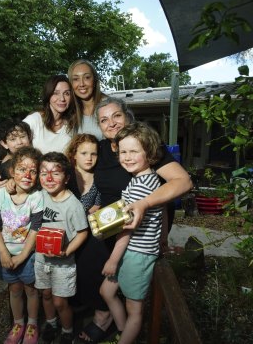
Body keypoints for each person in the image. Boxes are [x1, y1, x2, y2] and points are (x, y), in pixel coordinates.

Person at [76, 97, 193, 343]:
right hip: (108, 222)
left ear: (128, 116)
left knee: (123, 288)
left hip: (132, 232)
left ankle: (110, 321)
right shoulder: (102, 149)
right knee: (85, 257)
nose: (111, 123)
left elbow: (182, 182)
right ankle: (109, 318)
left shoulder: (144, 146)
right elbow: (77, 165)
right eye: (104, 119)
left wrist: (145, 207)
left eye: (116, 116)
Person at [99, 122, 164, 344]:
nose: (127, 157)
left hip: (136, 253)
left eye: (134, 151)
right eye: (123, 151)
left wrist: (112, 259)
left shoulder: (140, 187)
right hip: (131, 251)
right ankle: (122, 330)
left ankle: (126, 337)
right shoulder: (148, 179)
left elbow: (126, 230)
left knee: (134, 309)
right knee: (107, 292)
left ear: (150, 153)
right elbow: (161, 211)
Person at [0, 146, 44, 344]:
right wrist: (3, 253)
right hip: (6, 254)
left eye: (33, 170)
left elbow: (36, 229)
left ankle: (32, 324)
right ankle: (18, 323)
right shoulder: (2, 195)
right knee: (14, 289)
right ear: (12, 172)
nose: (27, 175)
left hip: (27, 255)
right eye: (21, 169)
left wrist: (22, 256)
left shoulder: (37, 197)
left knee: (31, 289)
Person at [35, 152, 89, 344]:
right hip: (41, 261)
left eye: (56, 173)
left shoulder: (73, 205)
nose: (49, 178)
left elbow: (83, 232)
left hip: (63, 264)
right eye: (44, 173)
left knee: (60, 301)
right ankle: (51, 323)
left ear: (66, 178)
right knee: (46, 294)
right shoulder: (39, 197)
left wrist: (67, 251)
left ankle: (67, 330)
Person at [23, 74, 79, 154]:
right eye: (56, 93)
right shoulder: (34, 120)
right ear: (48, 95)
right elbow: (14, 146)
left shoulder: (72, 125)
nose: (62, 99)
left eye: (66, 94)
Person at [68, 59, 105, 140]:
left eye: (87, 77)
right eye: (76, 79)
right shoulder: (70, 112)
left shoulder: (110, 106)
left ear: (95, 80)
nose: (81, 84)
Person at [65, 133, 101, 214]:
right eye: (84, 153)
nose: (89, 158)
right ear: (74, 154)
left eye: (93, 154)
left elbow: (97, 205)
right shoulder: (66, 174)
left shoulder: (99, 177)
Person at [0, 119, 33, 187]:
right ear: (4, 144)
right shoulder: (7, 165)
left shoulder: (34, 156)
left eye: (22, 136)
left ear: (29, 137)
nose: (19, 142)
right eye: (13, 139)